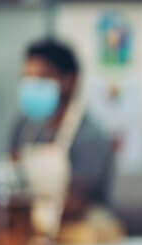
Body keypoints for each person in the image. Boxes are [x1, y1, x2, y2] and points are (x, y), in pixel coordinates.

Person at [9, 39, 116, 227]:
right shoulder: (24, 126)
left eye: (42, 77)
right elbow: (11, 177)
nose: (32, 85)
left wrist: (19, 208)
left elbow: (76, 202)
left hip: (81, 236)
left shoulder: (90, 135)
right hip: (31, 236)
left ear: (70, 80)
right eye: (27, 78)